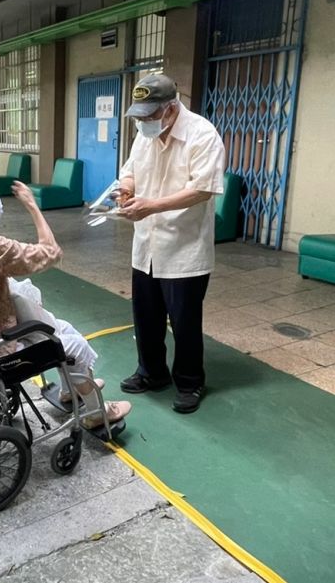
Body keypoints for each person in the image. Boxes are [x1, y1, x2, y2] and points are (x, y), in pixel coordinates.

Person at [0, 170, 131, 428]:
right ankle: (96, 413)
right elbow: (50, 252)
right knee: (72, 345)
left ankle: (70, 390)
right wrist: (32, 206)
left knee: (62, 327)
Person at [116, 74, 225, 414]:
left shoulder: (202, 135)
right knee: (145, 316)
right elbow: (130, 170)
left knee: (184, 321)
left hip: (183, 247)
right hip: (146, 244)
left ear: (171, 108)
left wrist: (153, 205)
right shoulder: (145, 133)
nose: (144, 123)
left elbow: (204, 188)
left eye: (150, 116)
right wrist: (126, 190)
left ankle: (191, 382)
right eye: (141, 116)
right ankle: (151, 373)